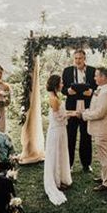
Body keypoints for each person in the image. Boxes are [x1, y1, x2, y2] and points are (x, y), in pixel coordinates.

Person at [62, 49, 96, 172]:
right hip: (71, 107)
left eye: (80, 58)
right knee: (70, 136)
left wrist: (91, 92)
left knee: (86, 136)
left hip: (87, 107)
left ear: (84, 58)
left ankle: (86, 164)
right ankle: (69, 164)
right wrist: (67, 91)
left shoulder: (92, 71)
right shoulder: (67, 71)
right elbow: (62, 87)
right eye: (76, 58)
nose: (78, 61)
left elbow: (97, 87)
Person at [81, 67, 107, 193]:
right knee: (102, 154)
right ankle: (104, 177)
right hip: (99, 128)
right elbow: (95, 107)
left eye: (96, 76)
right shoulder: (101, 89)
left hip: (103, 127)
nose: (94, 78)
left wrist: (84, 115)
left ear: (103, 77)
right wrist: (87, 111)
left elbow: (100, 113)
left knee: (104, 155)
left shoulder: (106, 92)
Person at [43, 74, 74, 205]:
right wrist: (72, 114)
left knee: (61, 153)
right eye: (61, 83)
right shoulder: (54, 99)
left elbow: (60, 114)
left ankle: (61, 178)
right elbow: (58, 117)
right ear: (56, 85)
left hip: (60, 130)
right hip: (56, 130)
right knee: (56, 154)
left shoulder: (55, 96)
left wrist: (70, 113)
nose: (62, 85)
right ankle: (56, 181)